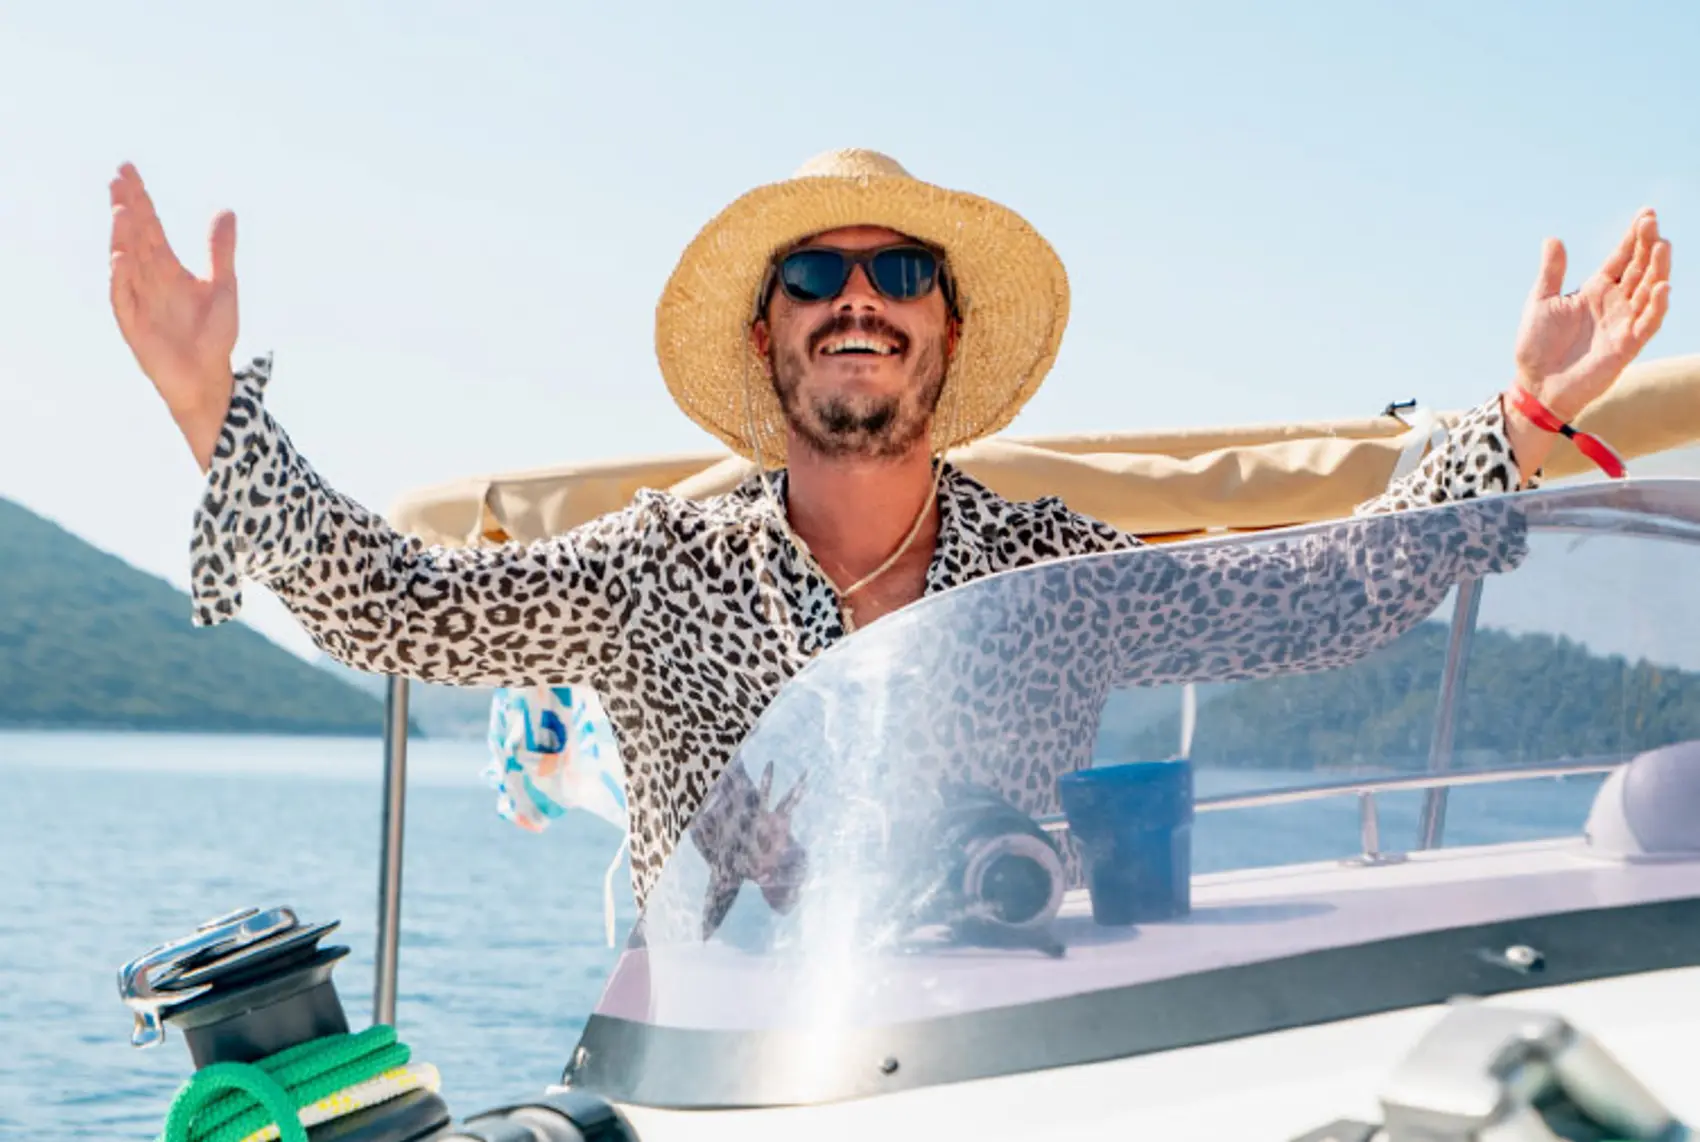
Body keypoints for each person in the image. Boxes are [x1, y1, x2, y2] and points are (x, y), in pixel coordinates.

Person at [109, 149, 1672, 912]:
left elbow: (1319, 596)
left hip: (1004, 1055)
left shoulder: (1055, 574)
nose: (858, 296)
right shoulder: (661, 568)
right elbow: (398, 608)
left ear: (942, 331)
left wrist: (1522, 423)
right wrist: (206, 411)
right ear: (771, 342)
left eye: (899, 272)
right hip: (727, 1073)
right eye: (814, 275)